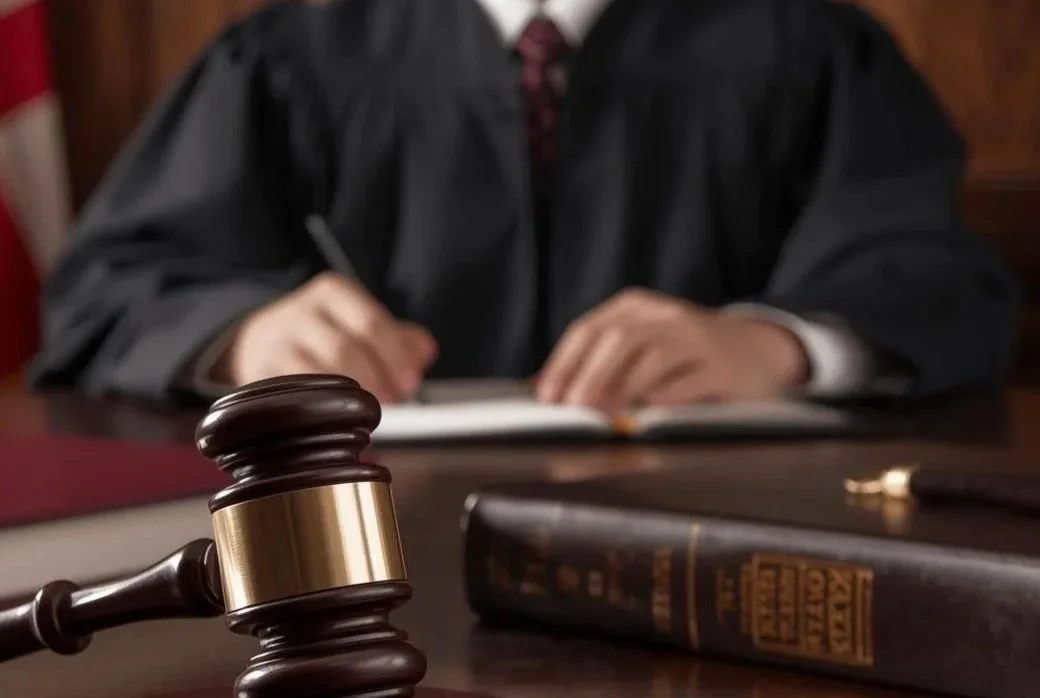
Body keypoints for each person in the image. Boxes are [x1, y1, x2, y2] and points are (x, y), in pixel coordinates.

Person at [28, 0, 1020, 414]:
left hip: (716, 554)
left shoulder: (807, 47)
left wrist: (776, 347)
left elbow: (936, 279)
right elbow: (107, 289)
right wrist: (245, 336)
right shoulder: (289, 57)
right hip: (351, 567)